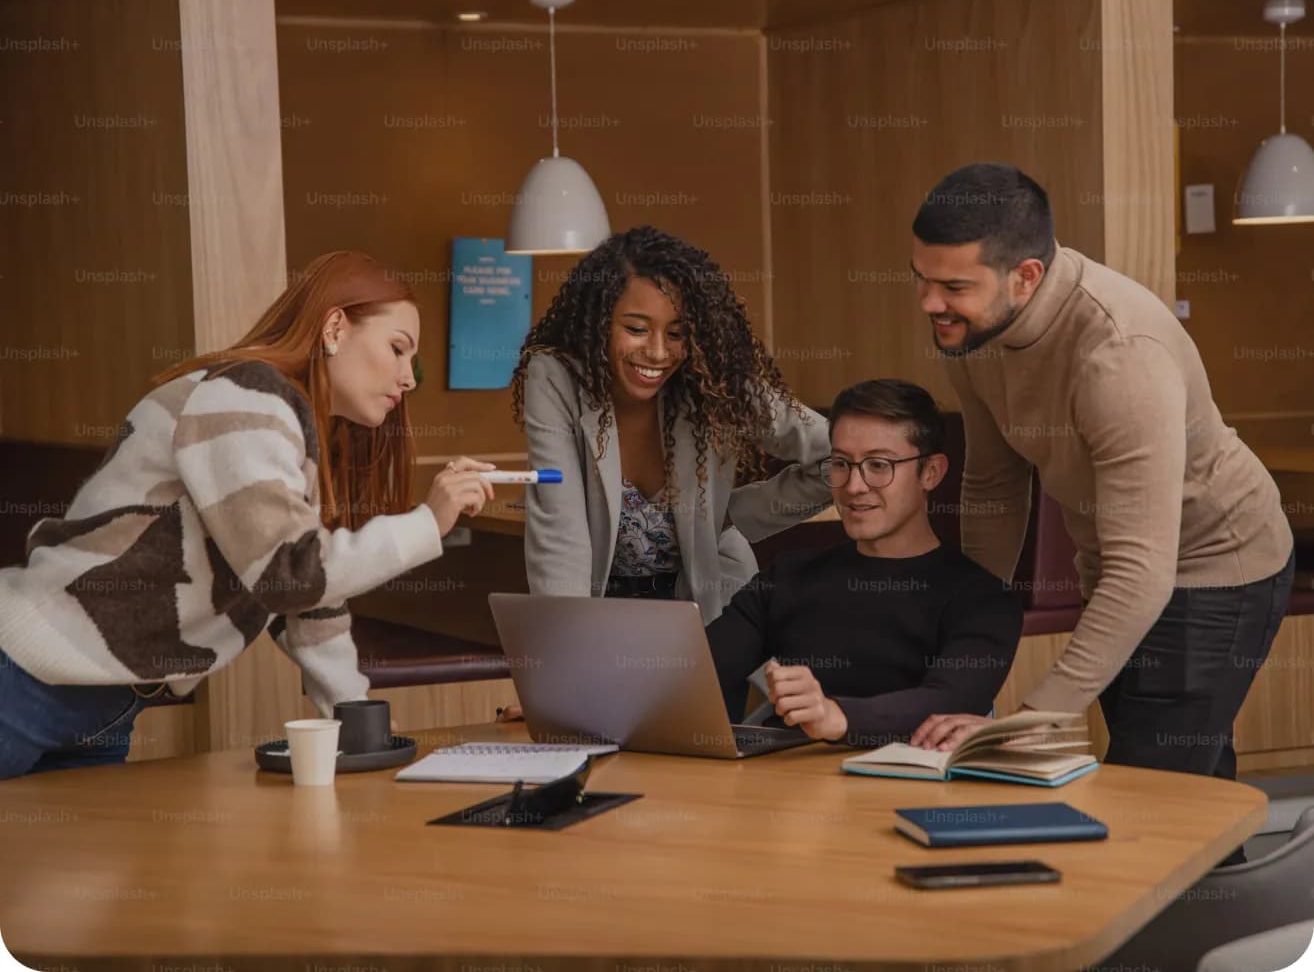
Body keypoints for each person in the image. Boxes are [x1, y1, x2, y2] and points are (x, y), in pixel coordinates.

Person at [0, 251, 497, 778]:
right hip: (24, 681)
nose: (408, 379)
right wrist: (429, 522)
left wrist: (356, 723)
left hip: (106, 702)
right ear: (334, 328)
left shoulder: (284, 426)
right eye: (398, 350)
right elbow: (289, 575)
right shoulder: (246, 396)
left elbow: (306, 601)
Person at [905, 164, 1294, 796]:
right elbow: (994, 484)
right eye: (920, 279)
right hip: (1118, 564)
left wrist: (1031, 721)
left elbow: (1144, 570)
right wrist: (970, 639)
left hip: (1216, 565)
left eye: (953, 285)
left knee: (1148, 795)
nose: (929, 304)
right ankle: (1237, 892)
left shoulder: (1119, 354)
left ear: (1025, 277)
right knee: (1188, 794)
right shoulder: (974, 329)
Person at [510, 225, 832, 619]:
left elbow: (840, 454)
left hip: (713, 610)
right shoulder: (557, 377)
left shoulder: (716, 380)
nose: (659, 352)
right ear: (598, 322)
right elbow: (561, 534)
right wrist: (573, 643)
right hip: (601, 614)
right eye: (636, 329)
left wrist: (731, 515)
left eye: (677, 333)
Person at [706, 379, 1022, 747]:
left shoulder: (982, 599)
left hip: (913, 793)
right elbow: (700, 675)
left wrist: (834, 715)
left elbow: (949, 704)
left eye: (878, 465)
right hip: (787, 789)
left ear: (931, 472)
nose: (854, 486)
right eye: (841, 463)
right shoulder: (787, 577)